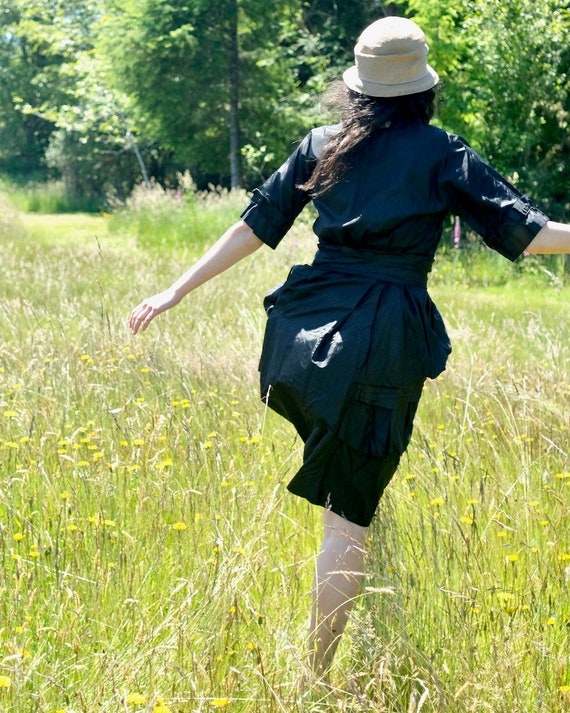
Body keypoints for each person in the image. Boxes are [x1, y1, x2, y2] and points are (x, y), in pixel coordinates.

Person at [129, 16, 570, 679]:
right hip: (376, 340)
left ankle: (347, 546)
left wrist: (175, 290)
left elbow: (256, 224)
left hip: (301, 338)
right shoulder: (442, 154)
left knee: (350, 490)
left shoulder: (323, 143)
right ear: (422, 87)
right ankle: (314, 676)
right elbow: (528, 233)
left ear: (359, 89)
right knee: (348, 522)